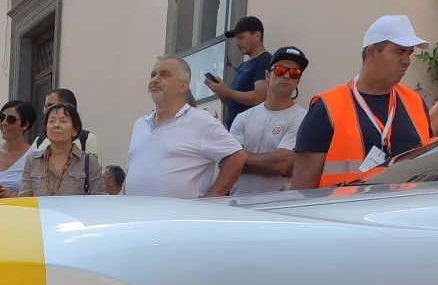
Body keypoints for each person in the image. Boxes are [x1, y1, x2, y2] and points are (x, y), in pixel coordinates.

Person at [291, 15, 434, 190]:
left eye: (409, 53)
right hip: (343, 213)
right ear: (372, 52)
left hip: (406, 213)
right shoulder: (326, 107)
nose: (407, 61)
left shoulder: (416, 102)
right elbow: (302, 189)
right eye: (399, 51)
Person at [125, 56, 245, 199]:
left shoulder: (201, 121)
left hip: (178, 219)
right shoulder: (140, 124)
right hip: (137, 216)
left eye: (164, 75)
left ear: (183, 85)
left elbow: (237, 157)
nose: (155, 79)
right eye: (153, 74)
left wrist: (212, 198)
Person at [229, 46, 309, 196]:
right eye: (280, 70)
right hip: (237, 204)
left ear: (298, 81)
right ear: (267, 75)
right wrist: (268, 163)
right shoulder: (243, 118)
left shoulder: (304, 119)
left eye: (294, 73)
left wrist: (240, 160)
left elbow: (282, 164)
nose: (286, 76)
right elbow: (226, 161)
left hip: (276, 209)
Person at [18, 102, 105, 196]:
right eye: (51, 121)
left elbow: (98, 202)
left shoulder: (89, 162)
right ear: (46, 129)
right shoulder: (32, 161)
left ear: (75, 130)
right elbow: (25, 200)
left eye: (63, 121)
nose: (56, 125)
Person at [207, 16, 272, 130]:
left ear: (256, 35)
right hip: (235, 131)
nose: (237, 43)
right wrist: (221, 92)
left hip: (250, 131)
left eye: (241, 37)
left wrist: (228, 92)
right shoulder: (244, 65)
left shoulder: (265, 60)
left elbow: (260, 97)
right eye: (236, 39)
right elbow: (231, 102)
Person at [30, 89, 100, 156]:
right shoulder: (39, 141)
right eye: (45, 107)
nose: (45, 111)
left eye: (50, 106)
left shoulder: (87, 139)